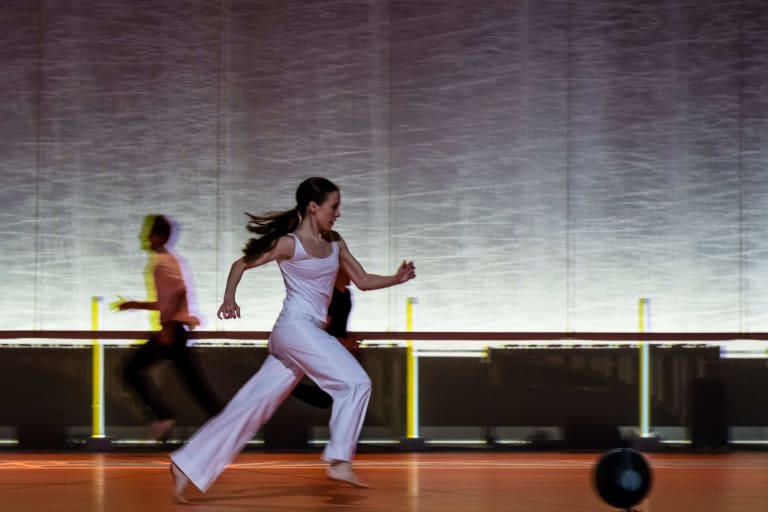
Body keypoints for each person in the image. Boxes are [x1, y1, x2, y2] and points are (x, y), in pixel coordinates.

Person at [169, 177, 415, 503]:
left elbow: (364, 280)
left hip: (301, 336)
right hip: (295, 329)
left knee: (251, 406)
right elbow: (241, 264)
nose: (338, 213)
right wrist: (229, 298)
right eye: (334, 206)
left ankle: (186, 465)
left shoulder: (336, 243)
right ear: (314, 207)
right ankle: (340, 460)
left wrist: (396, 279)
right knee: (356, 383)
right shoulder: (289, 244)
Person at [117, 215, 223, 439]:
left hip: (172, 331)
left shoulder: (162, 262)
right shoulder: (167, 260)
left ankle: (164, 416)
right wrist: (136, 304)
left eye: (151, 233)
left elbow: (179, 290)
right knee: (194, 384)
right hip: (175, 330)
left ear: (160, 237)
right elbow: (167, 300)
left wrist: (167, 328)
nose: (146, 237)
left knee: (130, 370)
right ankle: (223, 422)